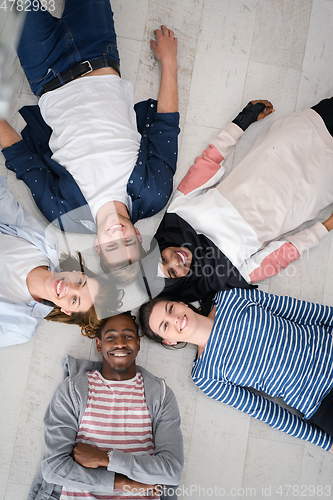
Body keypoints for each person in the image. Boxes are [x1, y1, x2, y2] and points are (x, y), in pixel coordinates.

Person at [0, 0, 179, 278]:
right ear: (139, 237)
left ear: (98, 247)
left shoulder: (65, 215)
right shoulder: (154, 192)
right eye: (128, 242)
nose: (118, 234)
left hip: (45, 71)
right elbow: (166, 127)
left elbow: (22, 160)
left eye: (112, 246)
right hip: (98, 51)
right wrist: (169, 62)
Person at [138, 98, 333, 302]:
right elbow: (282, 255)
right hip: (309, 189)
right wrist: (326, 225)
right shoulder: (225, 276)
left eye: (162, 258)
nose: (174, 261)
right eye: (171, 273)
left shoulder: (177, 213)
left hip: (279, 150)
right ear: (179, 284)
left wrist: (244, 119)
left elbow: (208, 162)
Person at [139, 289, 333, 452]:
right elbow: (266, 411)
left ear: (181, 303)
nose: (174, 319)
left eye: (170, 309)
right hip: (321, 404)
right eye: (165, 325)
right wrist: (325, 442)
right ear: (169, 341)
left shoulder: (230, 298)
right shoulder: (205, 377)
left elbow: (299, 311)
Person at [28, 312, 184, 500]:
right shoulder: (72, 391)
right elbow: (54, 469)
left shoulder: (161, 395)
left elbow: (171, 471)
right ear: (99, 344)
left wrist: (106, 458)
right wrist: (126, 483)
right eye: (110, 337)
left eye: (128, 336)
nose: (120, 343)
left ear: (138, 343)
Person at [0, 177, 120, 348]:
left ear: (67, 311)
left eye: (74, 300)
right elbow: (5, 204)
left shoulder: (21, 327)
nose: (68, 287)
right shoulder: (43, 243)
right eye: (80, 282)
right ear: (78, 273)